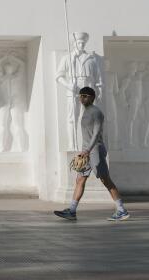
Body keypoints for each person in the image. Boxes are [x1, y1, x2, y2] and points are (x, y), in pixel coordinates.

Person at [54, 87, 130, 222]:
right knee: (80, 180)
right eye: (80, 96)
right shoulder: (85, 111)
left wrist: (87, 150)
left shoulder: (96, 112)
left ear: (92, 97)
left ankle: (121, 210)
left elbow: (96, 134)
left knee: (105, 180)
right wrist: (84, 151)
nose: (82, 98)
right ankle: (72, 211)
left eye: (85, 96)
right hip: (86, 152)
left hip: (95, 151)